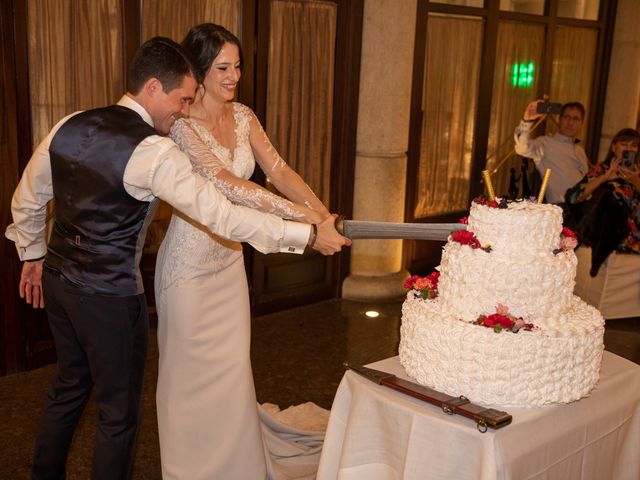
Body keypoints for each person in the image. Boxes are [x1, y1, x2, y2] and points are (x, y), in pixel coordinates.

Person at [5, 37, 348, 480]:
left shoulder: (70, 123)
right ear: (152, 87)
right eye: (182, 99)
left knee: (68, 388)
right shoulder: (154, 153)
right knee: (117, 414)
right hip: (109, 297)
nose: (184, 111)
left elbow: (29, 196)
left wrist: (31, 253)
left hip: (58, 283)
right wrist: (302, 235)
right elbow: (221, 215)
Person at [154, 23, 340, 479]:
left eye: (237, 66)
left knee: (234, 370)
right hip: (188, 266)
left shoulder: (244, 116)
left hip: (228, 262)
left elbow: (279, 171)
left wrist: (321, 211)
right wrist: (304, 222)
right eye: (222, 67)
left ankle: (237, 465)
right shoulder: (182, 125)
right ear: (198, 71)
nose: (233, 76)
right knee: (187, 377)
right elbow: (231, 186)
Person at [565, 128, 640, 275]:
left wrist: (635, 181)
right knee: (608, 198)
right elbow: (573, 197)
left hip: (631, 230)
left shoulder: (638, 172)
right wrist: (605, 178)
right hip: (601, 228)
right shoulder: (603, 169)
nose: (628, 149)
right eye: (624, 144)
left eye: (634, 145)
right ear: (614, 147)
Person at [514, 99, 590, 212]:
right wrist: (526, 121)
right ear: (559, 120)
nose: (570, 122)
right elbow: (522, 148)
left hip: (586, 208)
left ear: (581, 124)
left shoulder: (580, 151)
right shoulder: (545, 143)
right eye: (566, 117)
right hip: (562, 210)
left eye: (575, 119)